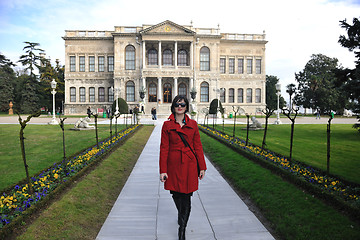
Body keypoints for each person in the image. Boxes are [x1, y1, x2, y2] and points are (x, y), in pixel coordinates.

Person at [159, 95, 207, 240]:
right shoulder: (167, 125)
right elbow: (164, 149)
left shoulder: (192, 124)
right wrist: (163, 170)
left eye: (183, 104)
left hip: (189, 165)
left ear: (186, 107)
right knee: (176, 194)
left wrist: (202, 167)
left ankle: (182, 229)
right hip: (173, 165)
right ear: (173, 106)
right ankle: (182, 216)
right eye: (177, 104)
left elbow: (198, 147)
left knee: (186, 196)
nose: (180, 107)